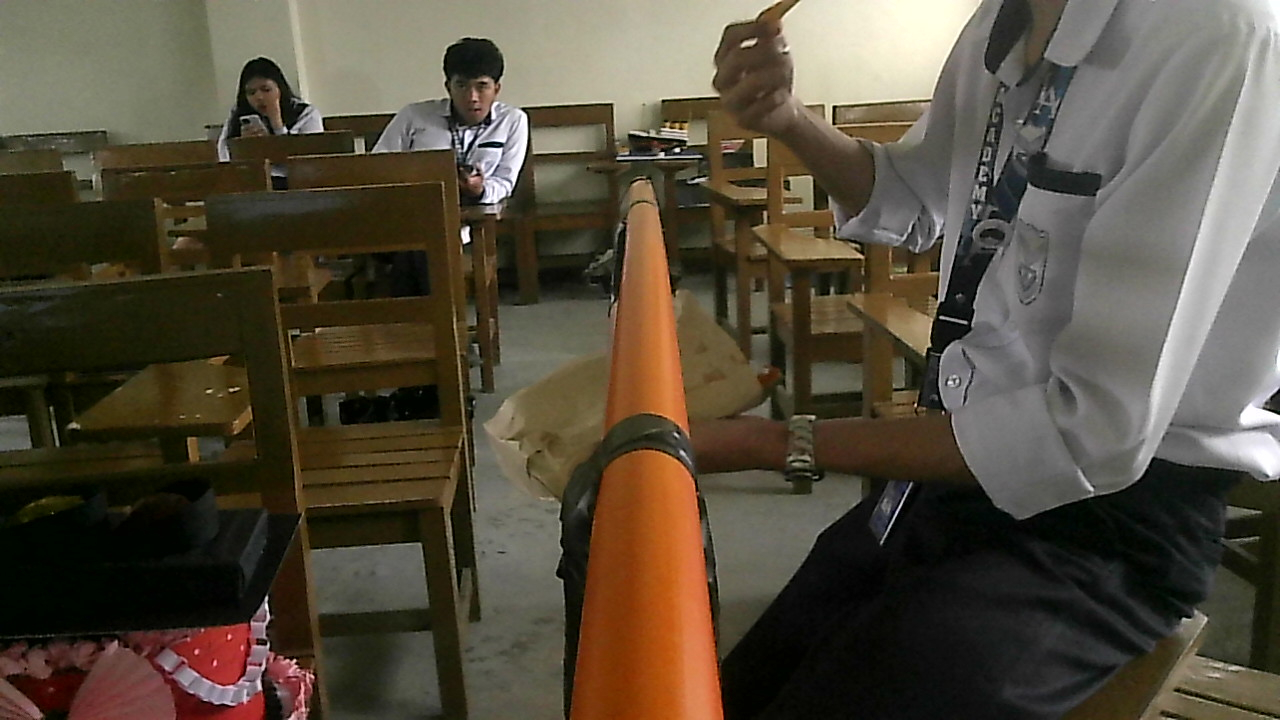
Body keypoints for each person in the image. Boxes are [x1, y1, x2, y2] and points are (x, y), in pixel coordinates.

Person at [698, 0, 1280, 718]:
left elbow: (1090, 434)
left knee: (880, 682)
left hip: (1108, 524)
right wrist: (789, 119)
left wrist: (775, 442)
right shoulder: (1002, 22)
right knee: (742, 686)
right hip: (956, 473)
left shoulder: (1217, 36)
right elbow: (916, 201)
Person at [371, 36, 528, 297]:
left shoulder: (513, 121)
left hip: (466, 218)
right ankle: (441, 318)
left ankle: (423, 317)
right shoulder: (414, 116)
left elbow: (505, 181)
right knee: (424, 240)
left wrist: (480, 190)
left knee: (424, 246)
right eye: (461, 85)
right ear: (448, 86)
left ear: (497, 88)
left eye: (482, 86)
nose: (472, 97)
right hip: (409, 212)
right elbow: (379, 165)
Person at [216, 57, 323, 189]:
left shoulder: (306, 113)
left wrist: (278, 126)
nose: (259, 97)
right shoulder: (239, 113)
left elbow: (310, 159)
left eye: (266, 90)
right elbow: (224, 151)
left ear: (280, 89)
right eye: (251, 93)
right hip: (253, 181)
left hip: (295, 182)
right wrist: (243, 146)